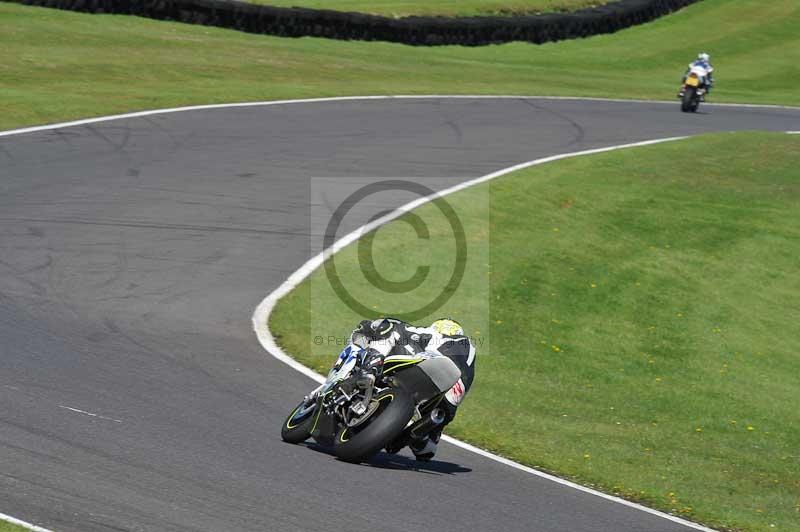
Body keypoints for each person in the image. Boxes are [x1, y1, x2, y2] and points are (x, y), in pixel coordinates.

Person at [349, 317, 476, 461]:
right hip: (447, 395)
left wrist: (369, 327)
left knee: (389, 327)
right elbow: (427, 453)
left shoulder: (428, 333)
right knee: (427, 446)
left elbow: (387, 325)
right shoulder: (465, 358)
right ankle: (419, 433)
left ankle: (370, 369)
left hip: (423, 366)